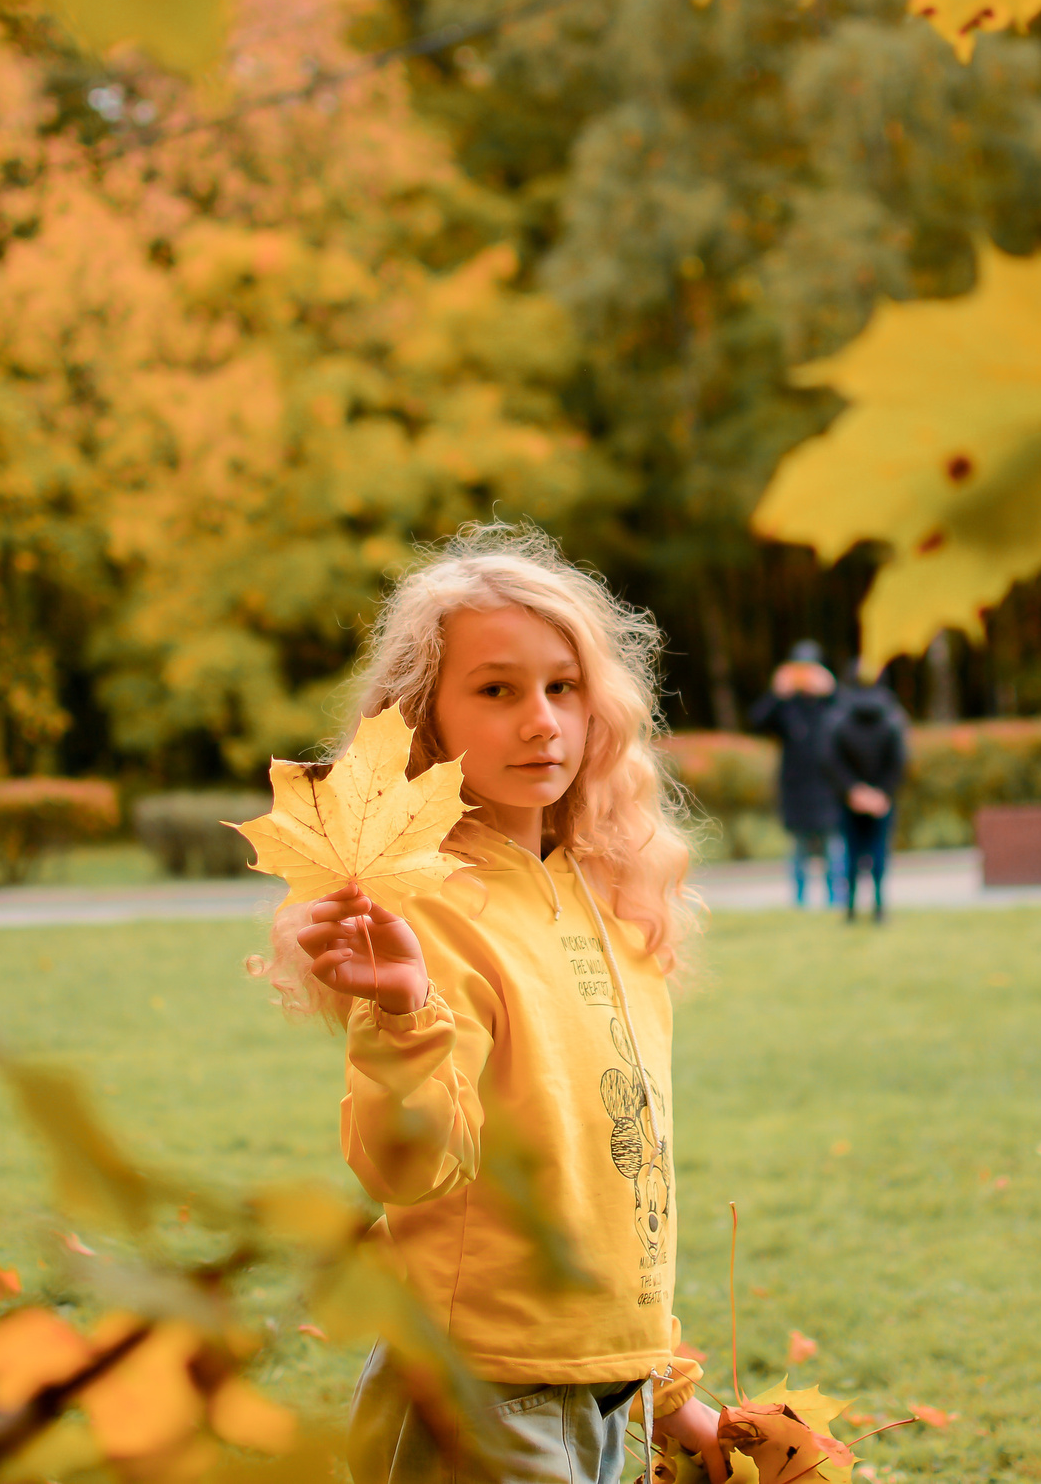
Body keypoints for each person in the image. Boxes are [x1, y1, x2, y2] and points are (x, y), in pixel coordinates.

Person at [257, 525, 723, 1484]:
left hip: (602, 1394)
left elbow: (612, 1182)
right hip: (481, 1396)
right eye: (497, 689)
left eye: (563, 685)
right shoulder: (422, 905)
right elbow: (410, 1165)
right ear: (425, 719)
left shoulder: (608, 895)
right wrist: (402, 1014)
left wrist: (670, 1396)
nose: (542, 720)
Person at [746, 640, 841, 907]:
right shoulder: (786, 705)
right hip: (796, 788)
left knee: (833, 847)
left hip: (828, 787)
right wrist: (777, 694)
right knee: (798, 849)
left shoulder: (830, 703)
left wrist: (831, 691)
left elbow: (849, 717)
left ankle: (836, 901)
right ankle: (799, 903)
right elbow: (756, 721)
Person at [822, 667, 910, 923]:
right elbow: (899, 760)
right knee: (879, 853)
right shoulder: (893, 717)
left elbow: (829, 759)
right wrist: (882, 793)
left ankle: (849, 910)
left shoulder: (838, 716)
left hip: (848, 801)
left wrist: (852, 791)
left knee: (849, 853)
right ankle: (879, 908)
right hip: (881, 802)